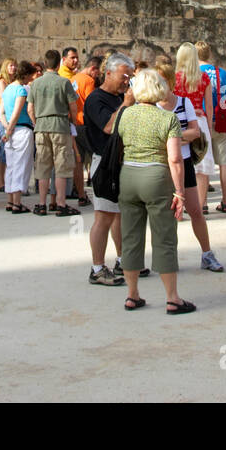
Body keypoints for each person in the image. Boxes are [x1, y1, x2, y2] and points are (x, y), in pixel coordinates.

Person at [116, 68, 192, 314]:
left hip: (129, 175)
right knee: (164, 237)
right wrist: (179, 191)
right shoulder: (167, 118)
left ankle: (132, 294)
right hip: (156, 176)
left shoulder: (126, 115)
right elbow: (175, 158)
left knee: (130, 236)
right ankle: (172, 297)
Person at [155, 57, 223, 272]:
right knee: (163, 216)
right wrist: (180, 137)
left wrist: (173, 138)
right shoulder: (151, 107)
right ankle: (165, 258)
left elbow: (195, 131)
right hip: (162, 165)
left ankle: (207, 253)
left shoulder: (184, 103)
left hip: (183, 162)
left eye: (161, 81)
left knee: (195, 210)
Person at [84, 52, 133, 286]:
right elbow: (109, 126)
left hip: (121, 162)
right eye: (124, 76)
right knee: (103, 217)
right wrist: (126, 104)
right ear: (109, 73)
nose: (127, 81)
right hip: (104, 164)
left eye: (130, 77)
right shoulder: (96, 99)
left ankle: (122, 260)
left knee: (119, 215)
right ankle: (97, 268)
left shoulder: (118, 97)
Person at [27, 50, 80, 217]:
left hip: (41, 125)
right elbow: (73, 106)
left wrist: (37, 122)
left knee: (43, 166)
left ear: (45, 63)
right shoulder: (64, 83)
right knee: (61, 166)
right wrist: (73, 120)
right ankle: (61, 203)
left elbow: (30, 108)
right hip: (60, 125)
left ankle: (42, 204)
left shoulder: (35, 84)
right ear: (59, 64)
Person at [173, 42, 214, 214]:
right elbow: (209, 107)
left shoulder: (174, 78)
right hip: (199, 120)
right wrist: (209, 126)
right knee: (202, 165)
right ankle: (201, 203)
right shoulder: (204, 78)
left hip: (179, 121)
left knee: (180, 161)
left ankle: (181, 201)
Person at [196, 41, 226, 213]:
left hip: (202, 121)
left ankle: (203, 203)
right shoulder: (222, 73)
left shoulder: (195, 73)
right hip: (220, 121)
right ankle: (225, 202)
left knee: (202, 164)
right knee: (224, 162)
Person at [0, 61, 37, 214]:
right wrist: (10, 129)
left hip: (9, 131)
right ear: (26, 75)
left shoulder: (7, 88)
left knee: (11, 166)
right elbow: (17, 112)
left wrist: (7, 128)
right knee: (21, 166)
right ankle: (17, 202)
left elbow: (1, 112)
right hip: (21, 130)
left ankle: (10, 200)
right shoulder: (21, 91)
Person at [70, 55, 101, 206]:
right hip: (85, 125)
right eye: (98, 72)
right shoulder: (88, 81)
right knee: (97, 156)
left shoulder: (73, 79)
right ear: (93, 68)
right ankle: (99, 193)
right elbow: (91, 104)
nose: (98, 76)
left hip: (73, 124)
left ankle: (81, 195)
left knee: (78, 160)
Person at [59, 46, 84, 203]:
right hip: (68, 122)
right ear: (63, 60)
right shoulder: (64, 77)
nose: (75, 60)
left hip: (73, 121)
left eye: (76, 57)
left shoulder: (73, 76)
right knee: (75, 159)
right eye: (72, 58)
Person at [0, 58, 16, 192]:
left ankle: (7, 179)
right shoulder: (2, 82)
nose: (13, 68)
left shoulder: (11, 82)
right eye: (10, 66)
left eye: (14, 66)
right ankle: (1, 181)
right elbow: (5, 100)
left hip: (9, 118)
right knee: (3, 148)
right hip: (3, 119)